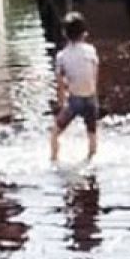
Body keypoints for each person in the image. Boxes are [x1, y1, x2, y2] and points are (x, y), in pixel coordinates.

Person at [50, 11, 100, 163]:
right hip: (91, 98)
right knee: (91, 133)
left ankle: (54, 160)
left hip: (75, 101)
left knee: (54, 134)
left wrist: (60, 105)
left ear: (64, 33)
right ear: (84, 33)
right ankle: (91, 158)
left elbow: (60, 85)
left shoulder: (61, 56)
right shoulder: (91, 50)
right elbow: (94, 75)